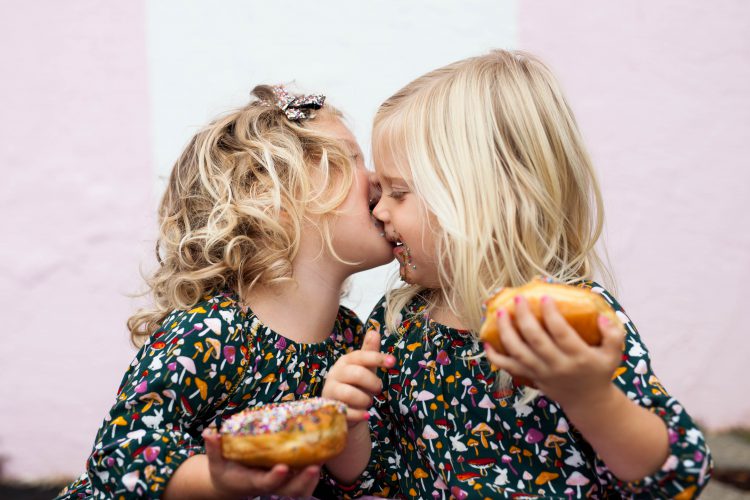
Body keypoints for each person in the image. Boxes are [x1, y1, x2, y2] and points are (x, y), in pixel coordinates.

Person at [322, 50, 713, 498]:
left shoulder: (567, 323)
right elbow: (379, 479)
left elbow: (672, 477)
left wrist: (590, 398)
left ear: (483, 198)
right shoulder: (396, 322)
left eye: (398, 192)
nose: (378, 208)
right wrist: (349, 428)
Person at [56, 84, 394, 499]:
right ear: (274, 197)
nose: (377, 178)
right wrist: (218, 481)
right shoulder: (209, 332)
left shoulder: (351, 340)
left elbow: (363, 482)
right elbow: (122, 456)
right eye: (351, 158)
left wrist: (351, 432)